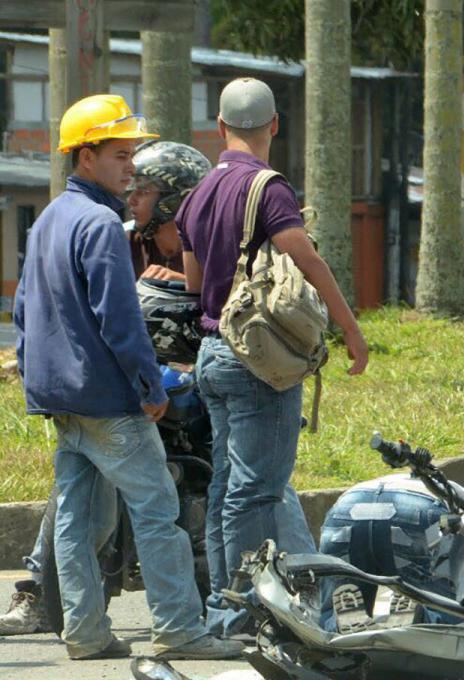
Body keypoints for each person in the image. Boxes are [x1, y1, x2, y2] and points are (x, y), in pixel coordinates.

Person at [12, 93, 239, 660]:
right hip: (109, 400)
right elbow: (120, 320)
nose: (131, 166)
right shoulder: (101, 225)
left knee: (75, 517)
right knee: (158, 510)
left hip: (61, 399)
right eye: (119, 154)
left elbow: (23, 312)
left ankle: (86, 634)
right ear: (86, 157)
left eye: (133, 154)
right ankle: (180, 629)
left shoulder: (48, 221)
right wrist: (151, 387)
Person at [178, 77, 370, 637]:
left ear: (219, 127)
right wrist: (352, 332)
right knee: (254, 492)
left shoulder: (196, 194)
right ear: (275, 126)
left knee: (224, 488)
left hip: (212, 353)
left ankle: (222, 603)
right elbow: (307, 261)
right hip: (258, 361)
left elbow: (195, 286)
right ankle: (246, 610)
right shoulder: (269, 189)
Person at [127, 140, 213, 282]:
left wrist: (184, 284)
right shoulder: (127, 242)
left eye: (143, 191)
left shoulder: (212, 246)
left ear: (174, 201)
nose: (131, 200)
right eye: (133, 190)